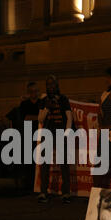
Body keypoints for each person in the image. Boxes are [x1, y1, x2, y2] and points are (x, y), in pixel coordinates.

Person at [37, 75, 73, 204]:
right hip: (47, 133)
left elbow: (69, 117)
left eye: (53, 84)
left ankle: (66, 193)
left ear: (57, 85)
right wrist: (47, 107)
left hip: (60, 133)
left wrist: (67, 133)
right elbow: (40, 119)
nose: (50, 87)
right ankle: (43, 192)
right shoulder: (44, 100)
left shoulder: (63, 99)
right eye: (48, 84)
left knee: (64, 164)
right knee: (45, 164)